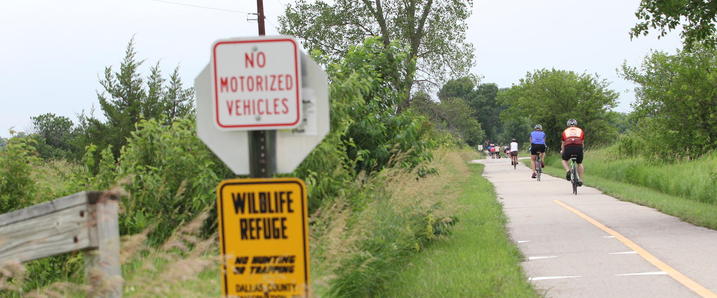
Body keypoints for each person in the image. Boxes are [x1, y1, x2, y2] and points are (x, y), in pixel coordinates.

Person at [561, 119, 585, 185]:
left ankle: (568, 171)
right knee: (579, 163)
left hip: (568, 147)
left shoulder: (565, 131)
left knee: (564, 160)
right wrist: (582, 150)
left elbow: (563, 144)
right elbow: (582, 143)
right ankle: (580, 179)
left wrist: (563, 151)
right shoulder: (580, 130)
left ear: (568, 125)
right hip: (578, 147)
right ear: (576, 124)